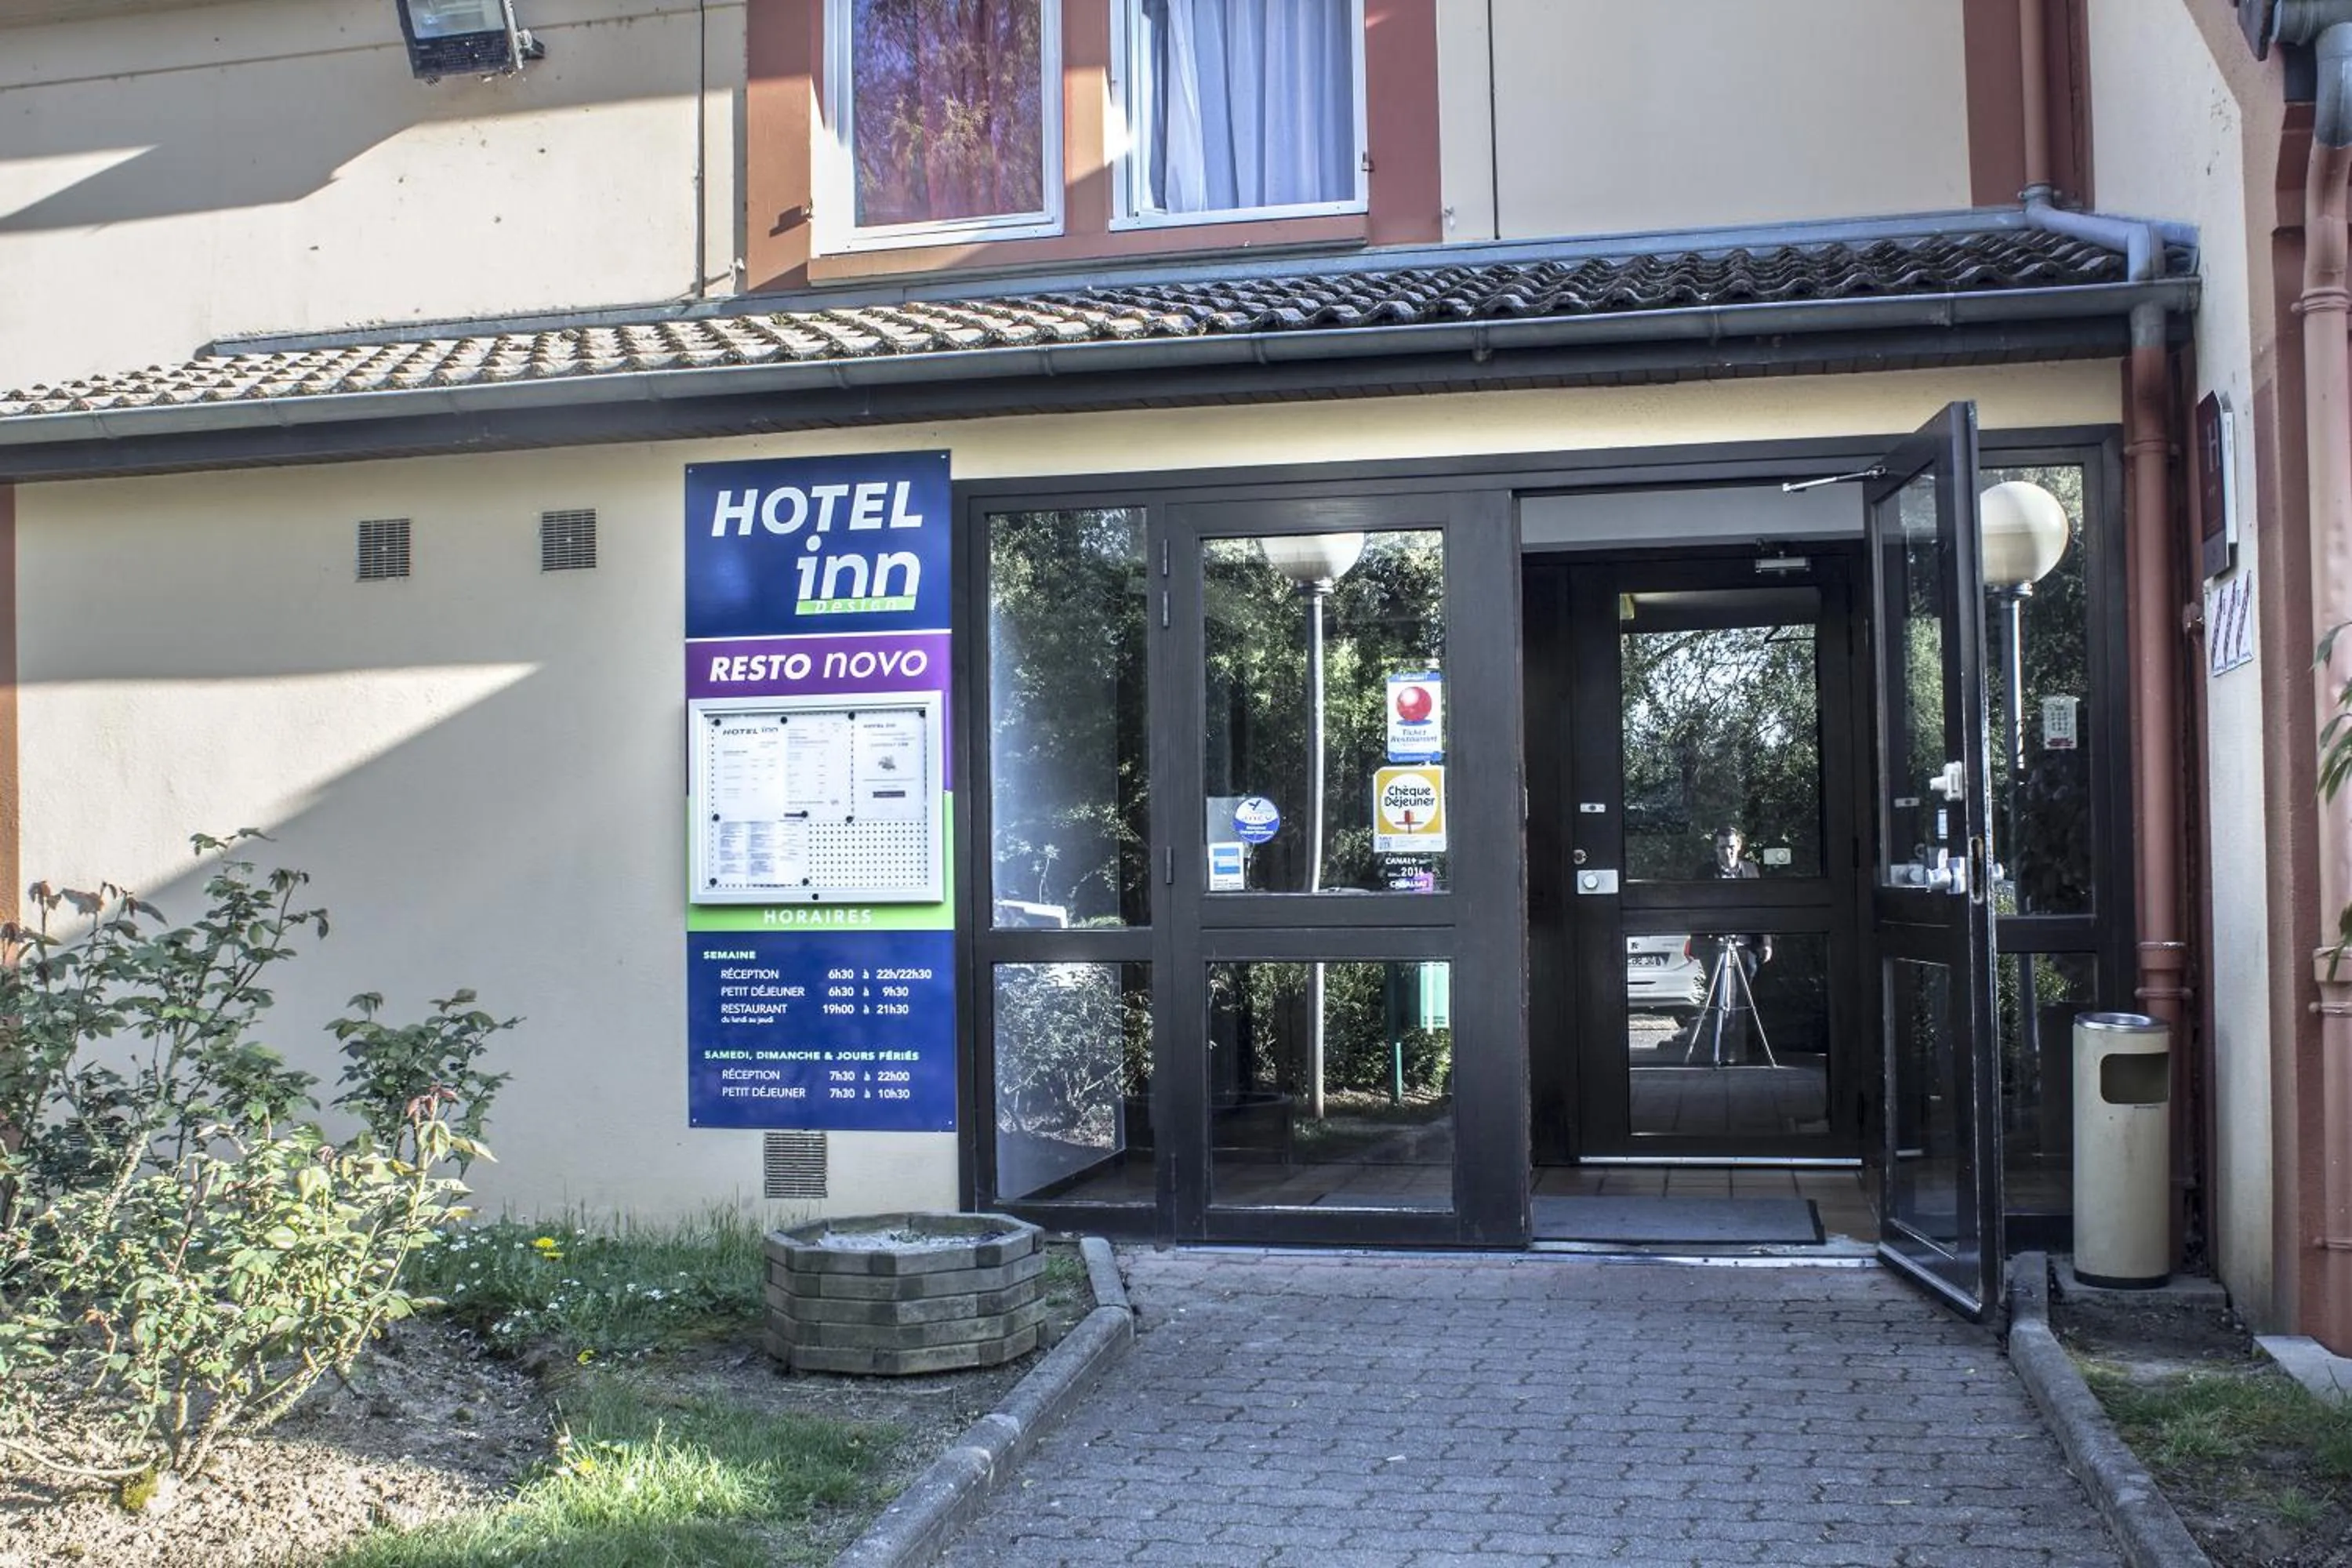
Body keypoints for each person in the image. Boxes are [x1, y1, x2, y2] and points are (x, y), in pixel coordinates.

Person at [1692, 825, 1772, 1064]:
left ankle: (1740, 1053)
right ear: (1716, 848)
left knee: (1742, 1000)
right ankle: (1719, 1053)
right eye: (1723, 847)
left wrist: (1765, 942)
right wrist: (1698, 942)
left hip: (1745, 944)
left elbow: (1760, 908)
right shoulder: (1705, 873)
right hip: (1715, 944)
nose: (1728, 852)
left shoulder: (1750, 870)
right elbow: (1695, 909)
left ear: (1739, 846)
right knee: (1719, 999)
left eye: (1732, 847)